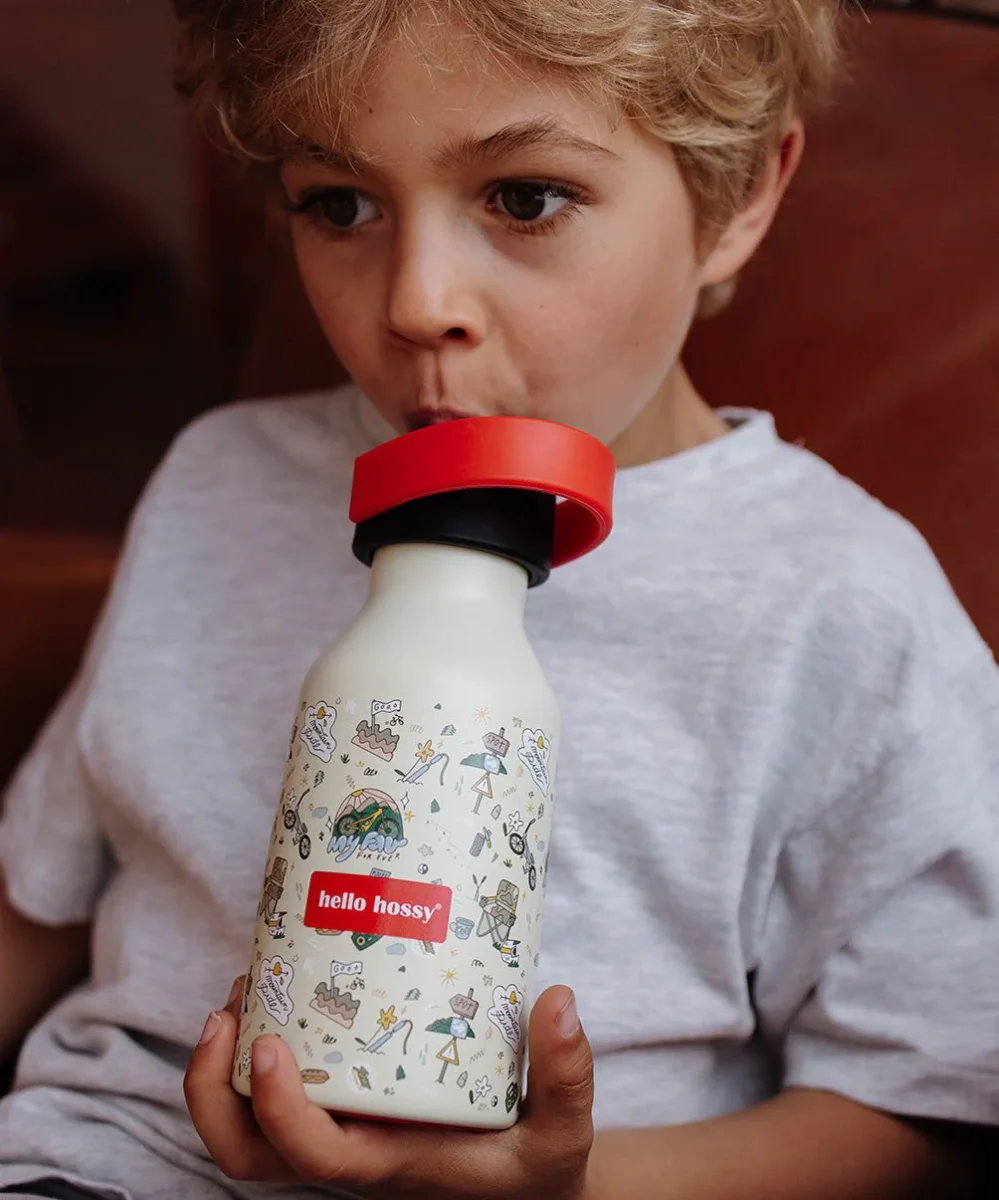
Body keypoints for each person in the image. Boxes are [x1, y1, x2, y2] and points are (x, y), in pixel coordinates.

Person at [1, 1, 997, 1196]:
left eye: (525, 198)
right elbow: (38, 900)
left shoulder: (839, 599)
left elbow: (925, 1104)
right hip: (109, 1161)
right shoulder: (220, 483)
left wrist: (563, 1187)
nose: (417, 302)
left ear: (737, 195)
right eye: (341, 205)